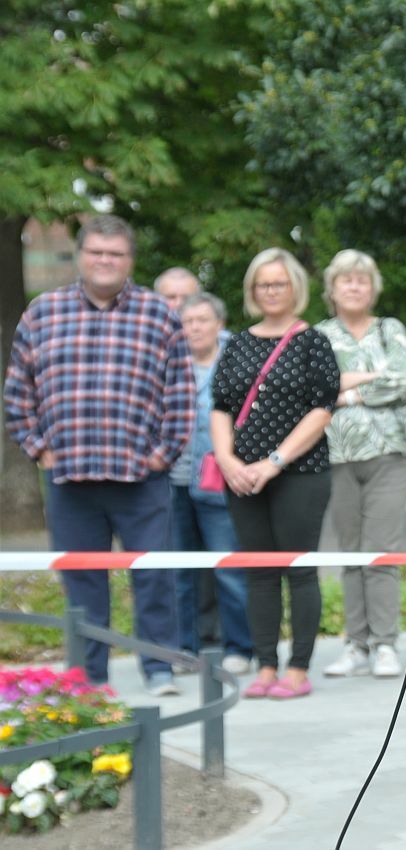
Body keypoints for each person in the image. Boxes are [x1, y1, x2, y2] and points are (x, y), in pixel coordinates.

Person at [3, 214, 194, 695]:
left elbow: (181, 392)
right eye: (96, 252)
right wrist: (37, 447)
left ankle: (158, 668)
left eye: (115, 253)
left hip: (140, 476)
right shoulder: (42, 312)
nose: (105, 261)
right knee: (82, 582)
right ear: (81, 255)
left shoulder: (158, 314)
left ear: (129, 260)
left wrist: (164, 454)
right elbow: (17, 393)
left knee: (152, 575)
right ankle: (89, 679)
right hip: (69, 477)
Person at [211, 247, 340, 701]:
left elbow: (322, 409)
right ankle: (265, 665)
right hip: (241, 476)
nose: (270, 291)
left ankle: (298, 669)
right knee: (258, 572)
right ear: (252, 291)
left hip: (299, 472)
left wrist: (274, 462)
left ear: (295, 289)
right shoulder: (239, 343)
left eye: (278, 283)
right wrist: (228, 461)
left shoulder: (312, 341)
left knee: (298, 570)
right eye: (262, 284)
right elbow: (221, 407)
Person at [316, 250, 406, 680]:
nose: (354, 286)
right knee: (350, 550)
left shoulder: (390, 329)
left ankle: (385, 644)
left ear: (372, 288)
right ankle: (355, 644)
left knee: (381, 548)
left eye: (362, 280)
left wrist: (348, 391)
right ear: (332, 289)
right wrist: (367, 380)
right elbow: (314, 387)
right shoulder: (319, 335)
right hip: (336, 455)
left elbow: (402, 380)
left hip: (389, 454)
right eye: (346, 280)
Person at [171, 292, 254, 676]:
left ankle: (240, 647)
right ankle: (184, 649)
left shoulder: (238, 360)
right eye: (188, 321)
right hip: (172, 478)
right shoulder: (168, 362)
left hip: (221, 478)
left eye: (202, 320)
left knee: (228, 567)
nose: (195, 328)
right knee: (179, 570)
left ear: (219, 323)